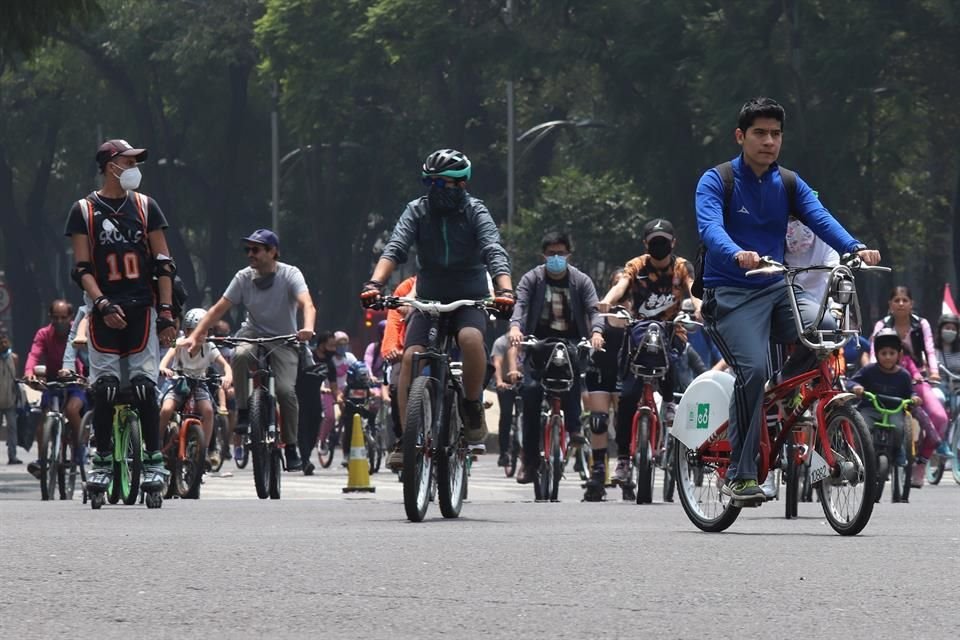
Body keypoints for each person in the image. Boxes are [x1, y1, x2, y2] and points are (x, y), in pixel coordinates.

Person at [695, 98, 880, 502]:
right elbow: (710, 227)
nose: (769, 141)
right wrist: (734, 253)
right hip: (730, 295)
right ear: (741, 136)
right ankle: (739, 476)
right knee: (753, 370)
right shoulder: (717, 180)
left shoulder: (790, 184)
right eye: (760, 133)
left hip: (777, 290)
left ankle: (786, 391)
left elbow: (821, 217)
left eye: (775, 134)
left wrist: (855, 247)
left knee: (830, 329)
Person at [360, 149, 514, 453]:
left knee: (470, 339)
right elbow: (395, 248)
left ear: (461, 185)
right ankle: (406, 439)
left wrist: (505, 291)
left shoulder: (475, 211)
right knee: (411, 355)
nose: (436, 191)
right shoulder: (417, 210)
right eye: (431, 183)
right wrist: (375, 284)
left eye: (443, 184)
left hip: (469, 296)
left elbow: (494, 251)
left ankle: (471, 406)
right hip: (428, 298)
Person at [64, 139, 179, 493]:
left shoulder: (147, 207)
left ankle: (154, 462)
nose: (133, 166)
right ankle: (100, 462)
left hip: (142, 307)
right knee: (106, 389)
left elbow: (163, 263)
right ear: (110, 165)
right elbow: (82, 268)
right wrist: (100, 304)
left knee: (145, 389)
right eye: (128, 160)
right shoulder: (83, 210)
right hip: (104, 309)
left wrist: (165, 312)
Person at [180, 228, 316, 472]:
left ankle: (292, 446)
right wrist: (197, 334)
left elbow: (307, 303)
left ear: (272, 252)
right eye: (248, 250)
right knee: (241, 355)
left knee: (285, 392)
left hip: (285, 339)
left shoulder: (290, 274)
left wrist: (307, 328)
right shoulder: (243, 277)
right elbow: (218, 309)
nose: (250, 254)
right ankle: (244, 412)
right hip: (253, 334)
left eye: (256, 249)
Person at [597, 218, 694, 487]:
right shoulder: (636, 265)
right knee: (627, 397)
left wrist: (699, 307)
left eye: (664, 241)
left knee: (672, 351)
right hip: (638, 334)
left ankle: (671, 406)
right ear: (646, 244)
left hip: (671, 331)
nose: (659, 246)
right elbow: (620, 286)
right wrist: (607, 301)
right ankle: (625, 460)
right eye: (654, 242)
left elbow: (694, 290)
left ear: (673, 243)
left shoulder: (682, 267)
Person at [508, 231, 604, 495]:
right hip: (537, 345)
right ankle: (529, 460)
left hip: (572, 344)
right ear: (543, 256)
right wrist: (516, 328)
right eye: (551, 254)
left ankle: (574, 429)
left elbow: (594, 310)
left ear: (569, 255)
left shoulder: (581, 281)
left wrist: (596, 332)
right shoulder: (532, 279)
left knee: (571, 371)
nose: (556, 258)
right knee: (530, 392)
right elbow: (520, 306)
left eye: (561, 253)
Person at [871, 286, 949, 474]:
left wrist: (933, 372)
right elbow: (873, 351)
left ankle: (921, 463)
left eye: (905, 300)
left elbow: (930, 350)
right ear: (890, 304)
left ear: (911, 304)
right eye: (896, 300)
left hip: (916, 380)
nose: (901, 304)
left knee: (940, 417)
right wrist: (873, 371)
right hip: (886, 381)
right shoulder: (882, 325)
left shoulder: (921, 324)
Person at [158, 308, 233, 469]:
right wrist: (164, 368)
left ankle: (203, 451)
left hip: (199, 383)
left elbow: (225, 365)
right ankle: (156, 445)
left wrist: (227, 375)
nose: (201, 335)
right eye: (196, 331)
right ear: (186, 331)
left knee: (208, 411)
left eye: (204, 331)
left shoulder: (210, 347)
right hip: (178, 382)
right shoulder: (178, 343)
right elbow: (167, 357)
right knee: (166, 409)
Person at [848, 329, 919, 468]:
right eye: (883, 353)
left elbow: (910, 393)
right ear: (877, 354)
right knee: (862, 428)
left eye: (892, 353)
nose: (887, 357)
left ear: (899, 355)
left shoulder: (904, 375)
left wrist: (915, 398)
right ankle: (860, 456)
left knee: (899, 429)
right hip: (870, 409)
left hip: (894, 411)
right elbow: (851, 382)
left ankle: (897, 451)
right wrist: (856, 387)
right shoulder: (869, 370)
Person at [380, 275, 416, 469]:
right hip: (407, 350)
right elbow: (394, 319)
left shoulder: (458, 278)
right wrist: (391, 348)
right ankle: (403, 440)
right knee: (395, 385)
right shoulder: (407, 287)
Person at [489, 332, 519, 469]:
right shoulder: (500, 342)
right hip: (506, 383)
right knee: (506, 415)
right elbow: (497, 363)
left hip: (524, 382)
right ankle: (503, 453)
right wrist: (499, 381)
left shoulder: (529, 340)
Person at [0, 333, 21, 464]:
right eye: (1, 343)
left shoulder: (13, 358)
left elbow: (15, 377)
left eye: (5, 342)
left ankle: (12, 456)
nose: (3, 345)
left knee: (12, 429)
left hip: (10, 400)